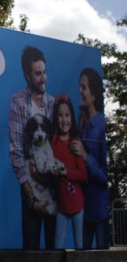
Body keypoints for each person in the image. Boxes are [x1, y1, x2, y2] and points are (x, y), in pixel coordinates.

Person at [8, 46, 56, 250]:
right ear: (27, 75)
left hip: (53, 188)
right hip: (30, 191)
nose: (43, 78)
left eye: (44, 72)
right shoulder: (17, 101)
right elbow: (16, 150)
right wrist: (32, 197)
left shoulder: (53, 104)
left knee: (56, 251)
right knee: (32, 256)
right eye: (37, 74)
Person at [71, 68, 110, 249]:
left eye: (83, 87)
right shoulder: (82, 126)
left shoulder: (101, 128)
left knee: (103, 261)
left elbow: (104, 177)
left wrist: (86, 157)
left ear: (93, 95)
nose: (80, 91)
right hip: (84, 210)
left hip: (99, 212)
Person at [50, 94, 87, 249]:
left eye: (67, 115)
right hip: (61, 206)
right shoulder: (53, 142)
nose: (64, 120)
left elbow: (84, 175)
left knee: (80, 246)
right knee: (58, 247)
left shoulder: (75, 142)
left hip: (77, 204)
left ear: (71, 116)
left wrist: (66, 172)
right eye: (60, 115)